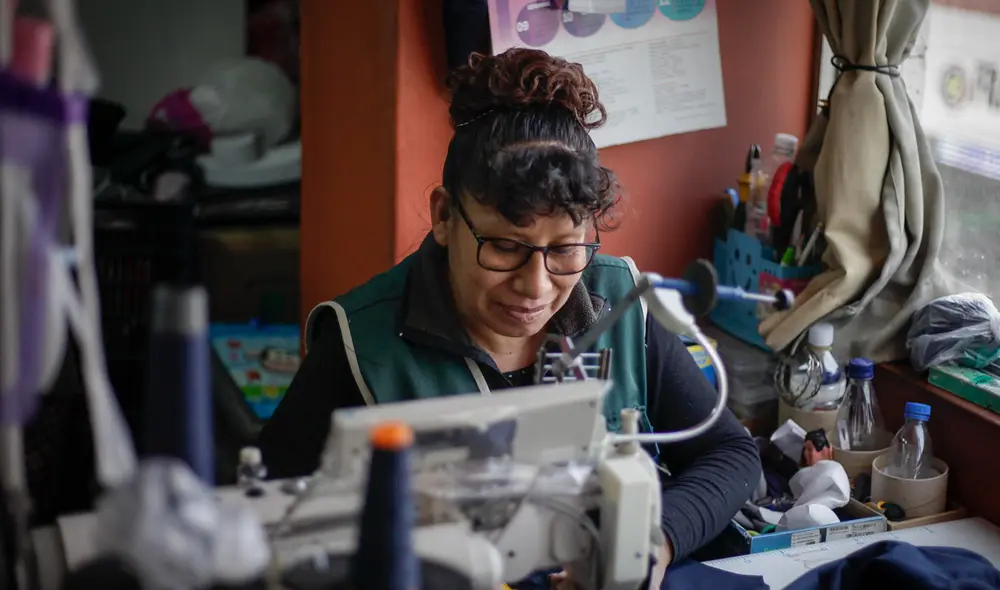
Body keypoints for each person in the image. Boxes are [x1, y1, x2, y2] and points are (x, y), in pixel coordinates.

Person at [257, 48, 760, 583]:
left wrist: (653, 545)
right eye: (503, 246)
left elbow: (729, 454)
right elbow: (265, 520)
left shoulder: (620, 301)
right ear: (445, 216)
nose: (536, 287)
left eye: (565, 248)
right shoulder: (360, 344)